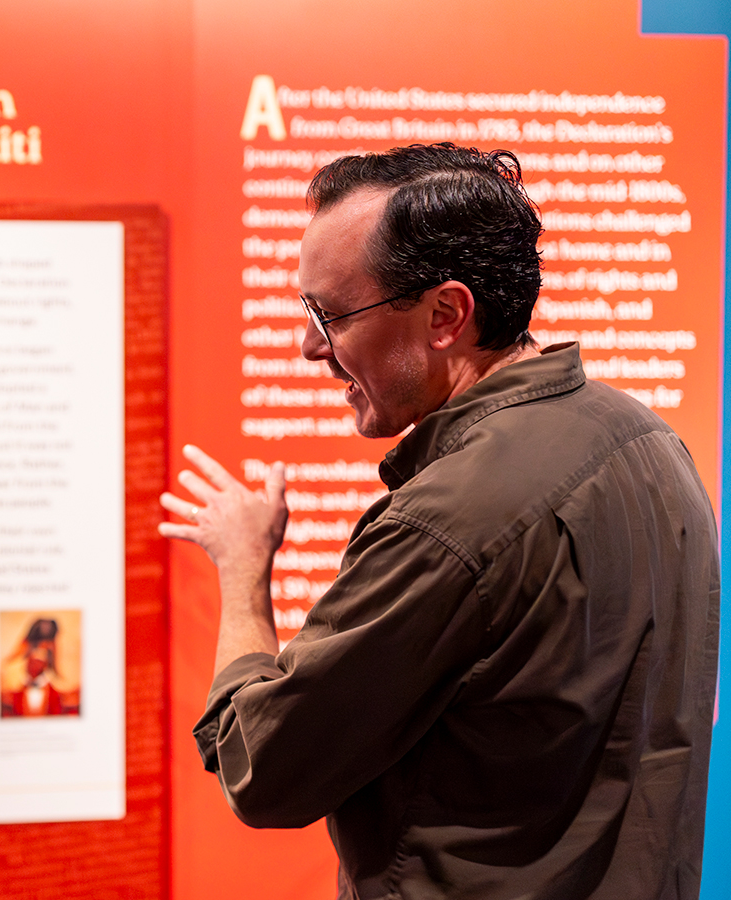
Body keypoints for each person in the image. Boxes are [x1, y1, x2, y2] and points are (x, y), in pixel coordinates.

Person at [160, 144, 719, 898]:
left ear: (446, 315)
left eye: (330, 315)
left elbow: (261, 770)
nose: (310, 346)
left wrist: (241, 569)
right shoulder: (650, 441)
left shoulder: (449, 521)